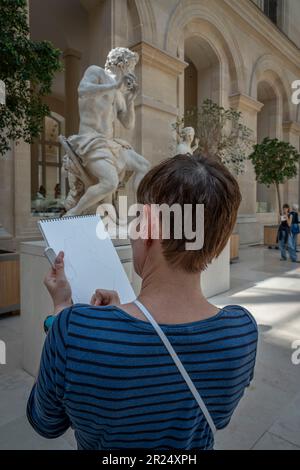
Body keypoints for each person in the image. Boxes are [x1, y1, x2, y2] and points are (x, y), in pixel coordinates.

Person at [27, 154, 258, 450]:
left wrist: (60, 313)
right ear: (220, 240)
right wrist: (119, 316)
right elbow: (217, 417)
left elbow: (45, 422)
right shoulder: (242, 331)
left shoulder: (73, 330)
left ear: (148, 229)